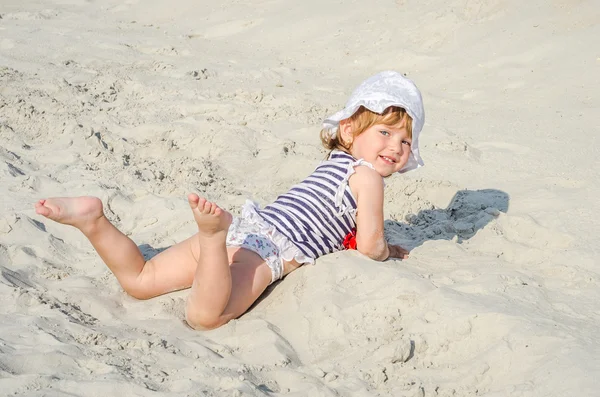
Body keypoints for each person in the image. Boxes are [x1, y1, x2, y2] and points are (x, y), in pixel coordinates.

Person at [34, 70, 425, 330]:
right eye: (386, 133)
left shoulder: (336, 162)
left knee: (140, 280)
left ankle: (93, 220)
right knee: (206, 317)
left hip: (245, 225)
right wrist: (389, 250)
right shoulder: (369, 177)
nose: (396, 147)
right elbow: (371, 244)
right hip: (270, 247)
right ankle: (210, 239)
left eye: (405, 141)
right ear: (349, 128)